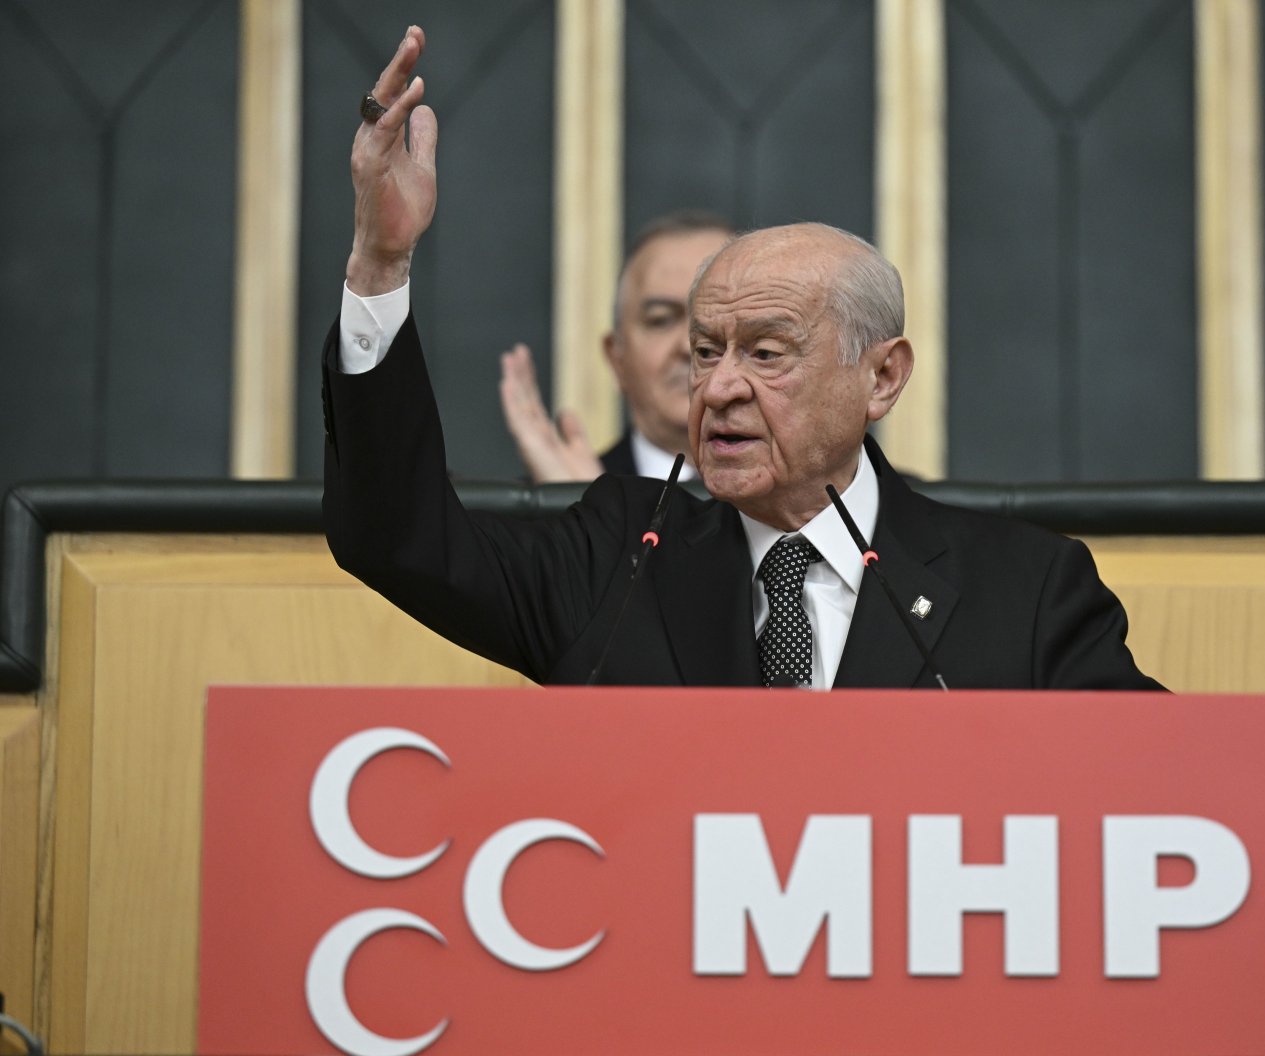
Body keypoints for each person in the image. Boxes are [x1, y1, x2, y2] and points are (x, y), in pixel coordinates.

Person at [323, 26, 1162, 691]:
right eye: (703, 351)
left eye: (767, 353)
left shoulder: (1026, 591)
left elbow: (1153, 789)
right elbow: (395, 538)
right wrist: (381, 263)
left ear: (882, 376)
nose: (719, 387)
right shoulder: (618, 558)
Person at [496, 211, 733, 482]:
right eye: (661, 320)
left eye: (713, 319)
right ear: (616, 359)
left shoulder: (792, 503)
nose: (687, 346)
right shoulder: (558, 497)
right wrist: (581, 511)